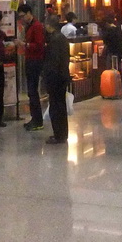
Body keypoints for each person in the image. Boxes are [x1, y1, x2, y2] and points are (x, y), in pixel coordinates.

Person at [17, 4, 46, 132]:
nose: (22, 19)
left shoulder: (37, 26)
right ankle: (34, 118)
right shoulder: (29, 26)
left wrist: (24, 44)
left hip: (35, 61)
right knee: (31, 92)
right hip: (30, 60)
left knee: (33, 92)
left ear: (29, 13)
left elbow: (39, 45)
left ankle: (38, 120)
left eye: (23, 16)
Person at [42, 14, 70, 145]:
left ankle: (58, 134)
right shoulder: (63, 38)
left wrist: (47, 76)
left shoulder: (53, 40)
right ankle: (63, 134)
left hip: (55, 78)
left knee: (55, 106)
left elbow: (53, 62)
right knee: (61, 106)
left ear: (48, 25)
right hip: (63, 75)